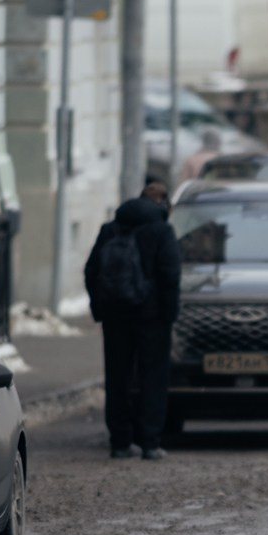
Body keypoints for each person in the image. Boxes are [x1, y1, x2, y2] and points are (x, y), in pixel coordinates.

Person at [84, 188, 181, 460]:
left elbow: (91, 271)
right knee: (153, 378)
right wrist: (169, 315)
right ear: (162, 202)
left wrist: (99, 309)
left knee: (118, 377)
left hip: (115, 316)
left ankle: (120, 442)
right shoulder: (161, 231)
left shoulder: (110, 229)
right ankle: (150, 442)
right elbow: (170, 275)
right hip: (153, 318)